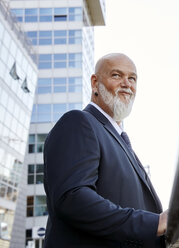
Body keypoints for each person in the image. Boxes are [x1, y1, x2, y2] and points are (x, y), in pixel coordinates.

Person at [43, 53, 167, 247]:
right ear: (95, 83)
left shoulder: (119, 140)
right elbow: (73, 198)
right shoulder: (78, 122)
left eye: (132, 78)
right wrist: (155, 223)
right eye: (117, 75)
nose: (127, 84)